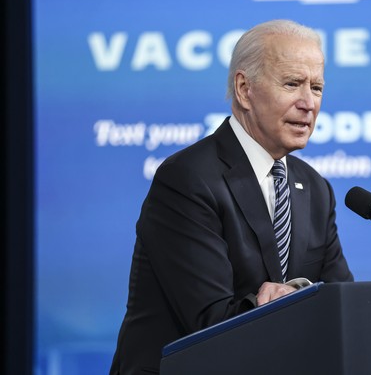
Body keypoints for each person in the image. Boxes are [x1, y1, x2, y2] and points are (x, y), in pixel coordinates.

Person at [110, 19, 353, 374]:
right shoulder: (188, 178)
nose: (308, 103)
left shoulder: (315, 188)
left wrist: (296, 291)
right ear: (244, 89)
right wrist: (276, 301)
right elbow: (209, 321)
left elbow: (341, 306)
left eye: (316, 87)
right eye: (292, 84)